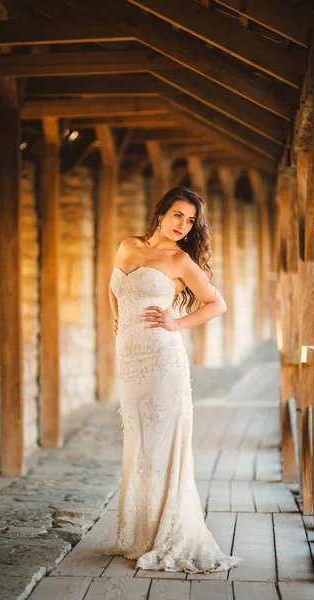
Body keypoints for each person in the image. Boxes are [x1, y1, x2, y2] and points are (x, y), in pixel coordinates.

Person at [105, 186, 243, 573]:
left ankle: (169, 532)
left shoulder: (181, 261)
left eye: (191, 220)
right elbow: (113, 287)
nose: (183, 225)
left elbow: (218, 303)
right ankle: (142, 532)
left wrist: (177, 322)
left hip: (163, 361)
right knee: (138, 445)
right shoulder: (128, 245)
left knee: (162, 447)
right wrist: (115, 315)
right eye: (178, 215)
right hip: (129, 359)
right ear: (161, 213)